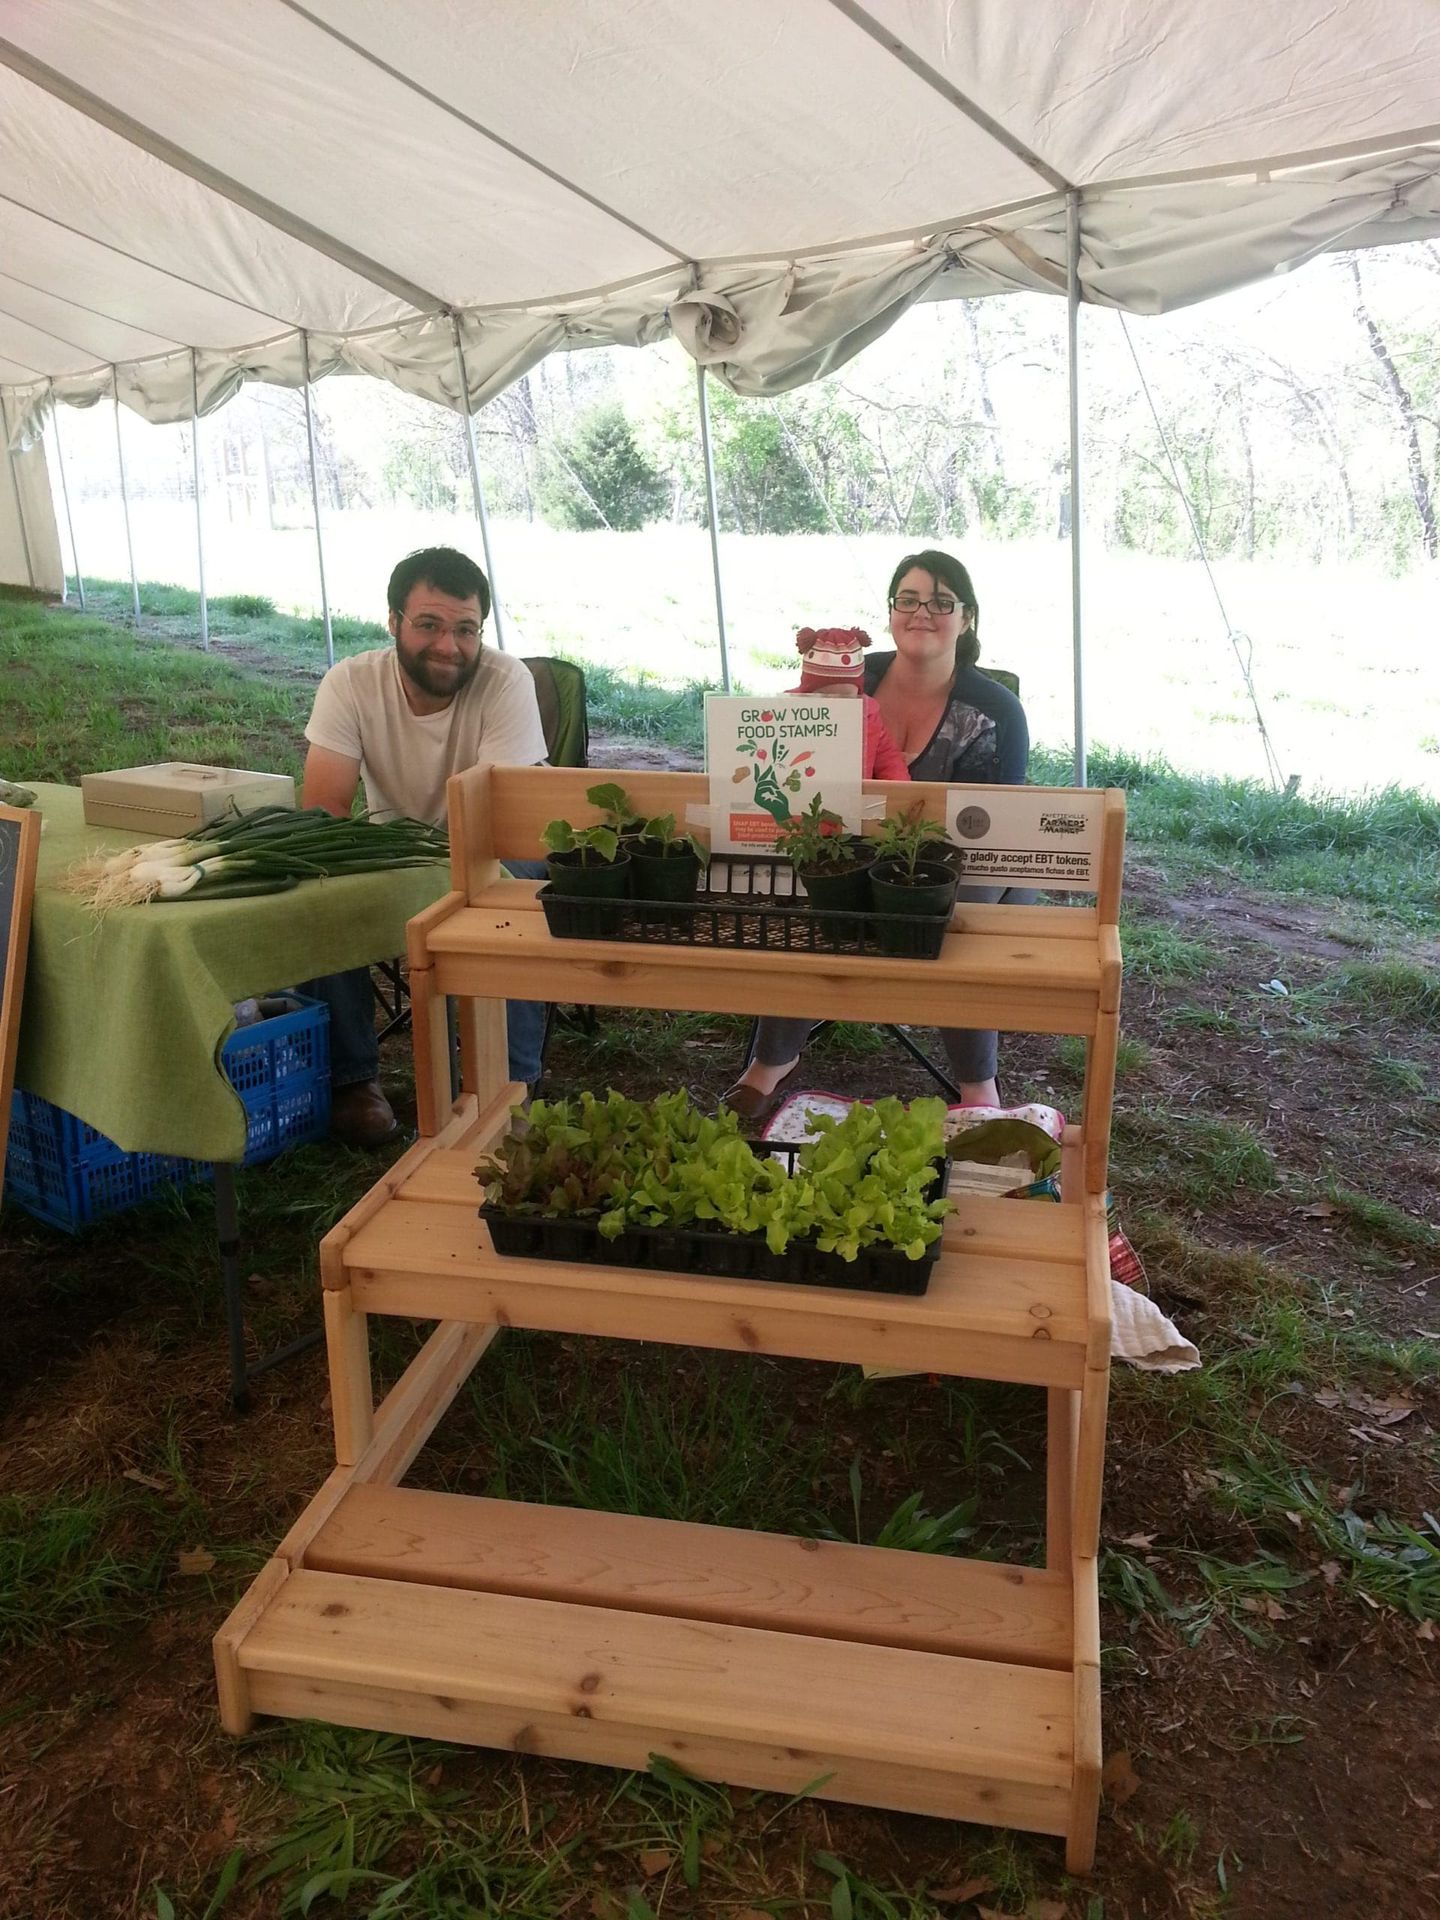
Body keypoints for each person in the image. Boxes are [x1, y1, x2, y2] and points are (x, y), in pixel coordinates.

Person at [722, 550, 1029, 1124]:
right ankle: (771, 1063)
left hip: (960, 865)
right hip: (846, 849)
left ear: (967, 618)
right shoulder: (848, 677)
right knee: (810, 885)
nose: (922, 612)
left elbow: (1001, 825)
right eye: (907, 599)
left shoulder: (997, 710)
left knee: (944, 908)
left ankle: (978, 1086)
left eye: (941, 602)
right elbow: (787, 747)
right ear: (890, 612)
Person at [301, 546, 549, 1148]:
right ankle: (351, 1081)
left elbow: (503, 819)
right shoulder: (351, 683)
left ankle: (509, 1085)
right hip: (395, 851)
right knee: (318, 873)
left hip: (491, 847)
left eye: (466, 629)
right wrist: (357, 862)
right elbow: (324, 807)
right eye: (430, 625)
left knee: (509, 889)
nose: (449, 646)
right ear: (393, 621)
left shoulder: (506, 681)